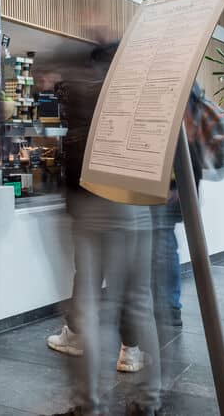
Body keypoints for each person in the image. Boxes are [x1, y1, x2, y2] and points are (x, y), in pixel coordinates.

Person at [51, 41, 161, 416]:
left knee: (94, 307)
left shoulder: (84, 89)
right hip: (136, 201)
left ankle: (88, 404)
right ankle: (149, 400)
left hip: (94, 201)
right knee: (140, 303)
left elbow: (73, 147)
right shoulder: (142, 90)